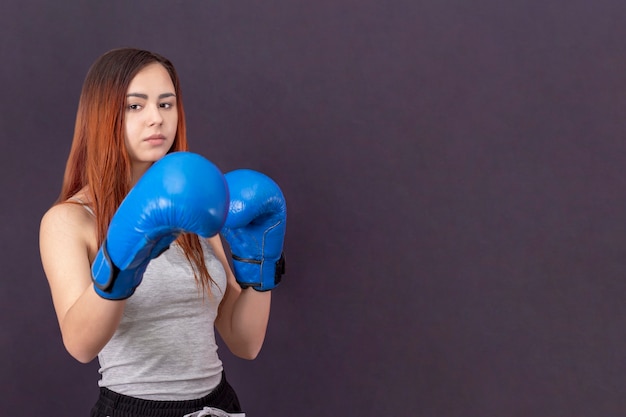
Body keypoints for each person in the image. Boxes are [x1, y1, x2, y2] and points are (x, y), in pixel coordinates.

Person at [39, 47, 287, 417]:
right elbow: (80, 344)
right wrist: (123, 258)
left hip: (218, 406)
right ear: (101, 114)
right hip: (134, 409)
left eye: (166, 104)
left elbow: (244, 342)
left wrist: (260, 264)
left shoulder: (196, 204)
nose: (156, 118)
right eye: (135, 106)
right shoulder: (71, 220)